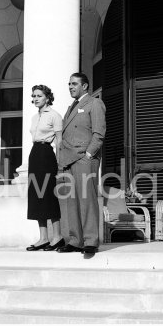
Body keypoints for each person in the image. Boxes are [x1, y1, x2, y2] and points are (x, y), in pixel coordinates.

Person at [57, 73, 106, 259]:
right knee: (71, 202)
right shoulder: (71, 108)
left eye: (74, 84)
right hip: (68, 160)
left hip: (84, 159)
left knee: (87, 200)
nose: (70, 87)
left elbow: (99, 132)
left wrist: (88, 155)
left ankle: (91, 241)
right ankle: (75, 241)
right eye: (69, 83)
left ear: (85, 86)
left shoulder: (94, 103)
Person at [26, 84, 65, 251]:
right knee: (36, 195)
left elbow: (60, 142)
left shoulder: (55, 116)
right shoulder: (34, 117)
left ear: (47, 98)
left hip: (47, 154)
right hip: (35, 154)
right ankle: (43, 238)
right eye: (34, 95)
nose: (35, 98)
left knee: (49, 195)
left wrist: (60, 164)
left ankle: (57, 237)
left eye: (39, 96)